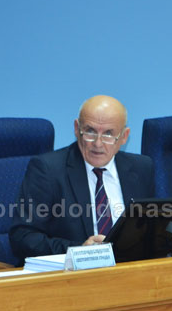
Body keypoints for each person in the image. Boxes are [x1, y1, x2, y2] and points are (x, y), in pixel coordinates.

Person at [9, 95, 154, 261]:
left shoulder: (142, 168)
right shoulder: (48, 170)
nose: (98, 143)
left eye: (108, 134)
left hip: (130, 268)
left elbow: (151, 229)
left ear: (124, 137)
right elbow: (22, 237)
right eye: (90, 131)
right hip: (75, 273)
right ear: (77, 129)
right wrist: (79, 250)